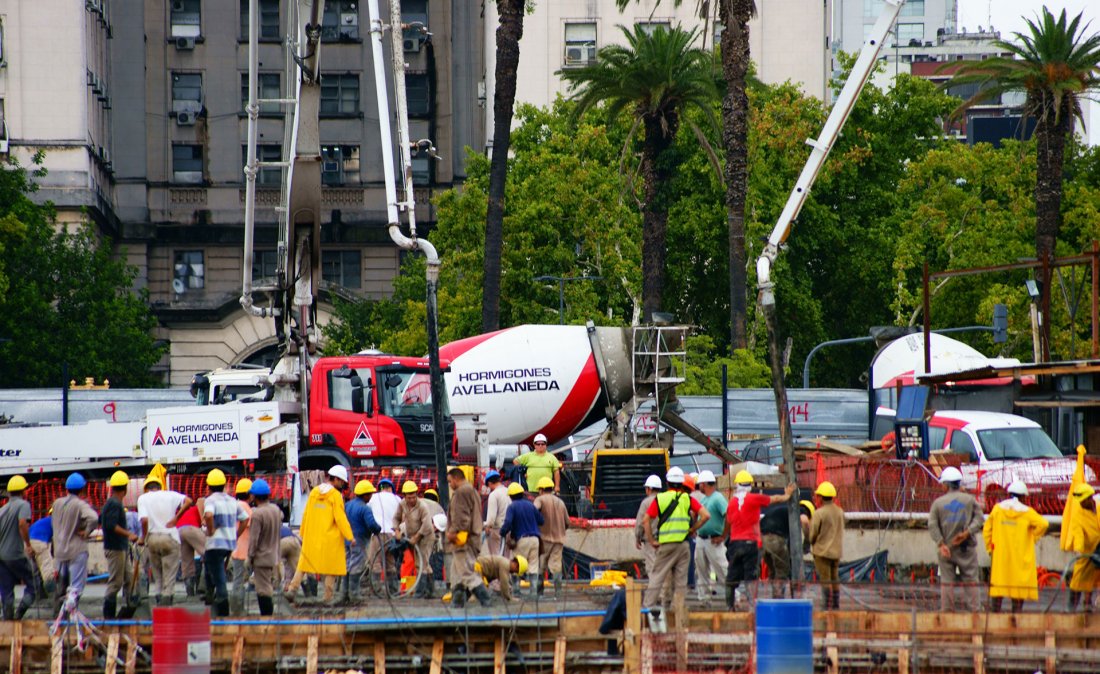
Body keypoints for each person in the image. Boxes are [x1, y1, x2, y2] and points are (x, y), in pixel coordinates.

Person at [642, 467, 709, 633]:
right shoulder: (687, 499)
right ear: (681, 483)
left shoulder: (661, 498)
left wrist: (651, 540)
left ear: (667, 482)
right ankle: (678, 617)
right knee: (680, 583)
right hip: (684, 546)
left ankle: (647, 610)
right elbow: (706, 515)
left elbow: (646, 520)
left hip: (666, 546)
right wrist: (693, 530)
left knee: (657, 576)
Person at [722, 470, 796, 609]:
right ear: (750, 485)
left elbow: (728, 522)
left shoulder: (731, 503)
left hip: (735, 543)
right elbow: (773, 499)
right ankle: (752, 607)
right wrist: (787, 495)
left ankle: (729, 607)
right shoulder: (753, 498)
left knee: (731, 578)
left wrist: (722, 536)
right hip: (751, 544)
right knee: (751, 577)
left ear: (736, 485)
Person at [286, 465, 354, 603]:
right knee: (332, 568)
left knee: (304, 564)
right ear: (335, 479)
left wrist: (303, 532)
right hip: (330, 539)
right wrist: (350, 537)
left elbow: (306, 514)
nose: (342, 484)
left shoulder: (315, 492)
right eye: (341, 481)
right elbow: (340, 518)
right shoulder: (335, 496)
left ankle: (292, 590)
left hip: (312, 537)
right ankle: (327, 598)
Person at [984, 480, 1049, 613]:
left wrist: (990, 548)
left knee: (998, 586)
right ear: (1024, 497)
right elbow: (1043, 524)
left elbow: (987, 530)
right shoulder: (1027, 512)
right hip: (1020, 557)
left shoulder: (998, 509)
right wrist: (1033, 537)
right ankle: (1016, 618)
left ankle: (995, 615)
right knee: (1018, 589)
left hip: (1001, 556)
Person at [928, 466, 984, 612]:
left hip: (946, 549)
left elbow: (932, 525)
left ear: (946, 484)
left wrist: (941, 544)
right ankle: (974, 612)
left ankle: (947, 612)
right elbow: (979, 519)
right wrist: (967, 532)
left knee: (947, 582)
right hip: (967, 548)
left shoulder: (938, 503)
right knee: (971, 580)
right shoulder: (969, 500)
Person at [137, 474, 192, 606]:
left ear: (147, 488)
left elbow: (144, 520)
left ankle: (158, 596)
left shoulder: (143, 498)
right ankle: (167, 599)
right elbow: (189, 501)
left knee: (157, 573)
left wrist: (143, 537)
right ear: (160, 486)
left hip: (153, 538)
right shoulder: (170, 495)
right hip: (170, 537)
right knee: (170, 573)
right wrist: (176, 518)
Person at [51, 473, 99, 615]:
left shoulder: (57, 503)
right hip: (76, 550)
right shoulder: (80, 504)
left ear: (66, 488)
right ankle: (72, 615)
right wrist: (87, 531)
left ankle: (58, 618)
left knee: (61, 587)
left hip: (60, 551)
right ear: (82, 489)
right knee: (75, 588)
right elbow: (94, 517)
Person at [202, 469, 249, 616]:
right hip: (228, 544)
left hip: (215, 544)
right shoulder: (231, 500)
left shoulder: (210, 500)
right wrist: (235, 534)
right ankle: (212, 595)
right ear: (224, 485)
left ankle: (222, 605)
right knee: (214, 569)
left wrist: (210, 531)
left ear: (209, 486)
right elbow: (245, 518)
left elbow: (208, 515)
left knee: (219, 575)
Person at [445, 467, 493, 607]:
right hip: (473, 537)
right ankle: (458, 601)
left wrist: (452, 532)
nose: (450, 485)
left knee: (466, 571)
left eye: (450, 481)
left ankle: (485, 598)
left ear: (455, 478)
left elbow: (461, 517)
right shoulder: (471, 490)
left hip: (463, 539)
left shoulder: (461, 492)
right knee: (456, 572)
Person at [101, 471, 139, 619]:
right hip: (115, 547)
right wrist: (129, 534)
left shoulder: (114, 503)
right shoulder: (114, 504)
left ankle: (127, 611)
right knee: (116, 582)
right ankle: (109, 617)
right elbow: (111, 525)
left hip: (120, 547)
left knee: (129, 579)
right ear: (125, 488)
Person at [759, 499, 814, 598]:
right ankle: (779, 599)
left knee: (774, 571)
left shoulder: (784, 514)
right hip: (774, 539)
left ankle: (775, 597)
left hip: (761, 540)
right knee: (782, 571)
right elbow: (805, 522)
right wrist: (807, 542)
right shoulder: (799, 510)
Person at [0, 475, 37, 619]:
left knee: (7, 590)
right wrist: (28, 545)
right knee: (34, 586)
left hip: (1, 556)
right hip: (15, 554)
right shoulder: (23, 505)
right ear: (24, 491)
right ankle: (18, 614)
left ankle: (8, 621)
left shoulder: (2, 509)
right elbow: (22, 523)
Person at [393, 481, 436, 598]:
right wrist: (396, 530)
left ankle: (420, 591)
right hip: (411, 537)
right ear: (404, 496)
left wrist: (417, 537)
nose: (411, 500)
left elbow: (427, 525)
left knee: (421, 563)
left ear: (417, 494)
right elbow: (396, 518)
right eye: (409, 497)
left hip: (425, 536)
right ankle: (430, 591)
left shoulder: (422, 507)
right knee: (423, 563)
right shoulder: (402, 504)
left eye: (413, 497)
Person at [501, 481, 543, 596]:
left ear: (510, 496)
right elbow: (541, 520)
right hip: (535, 539)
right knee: (533, 565)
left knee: (516, 564)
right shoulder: (530, 505)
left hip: (521, 539)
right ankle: (533, 592)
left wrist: (502, 532)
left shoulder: (512, 506)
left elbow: (508, 522)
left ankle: (516, 591)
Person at [247, 479, 282, 616]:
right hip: (274, 555)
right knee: (269, 587)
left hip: (261, 558)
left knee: (263, 590)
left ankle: (267, 620)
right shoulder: (275, 510)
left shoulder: (257, 514)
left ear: (255, 496)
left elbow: (254, 539)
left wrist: (249, 557)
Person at [694, 470, 728, 602]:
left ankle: (734, 596)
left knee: (722, 569)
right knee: (701, 570)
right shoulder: (704, 499)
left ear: (704, 484)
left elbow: (728, 516)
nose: (699, 487)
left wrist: (723, 536)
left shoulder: (718, 498)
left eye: (700, 484)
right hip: (702, 539)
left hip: (713, 540)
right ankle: (704, 598)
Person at [809, 481, 845, 610]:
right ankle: (835, 605)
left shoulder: (819, 513)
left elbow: (813, 533)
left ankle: (826, 607)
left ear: (820, 497)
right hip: (836, 552)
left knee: (825, 580)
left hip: (822, 552)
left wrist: (811, 542)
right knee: (835, 578)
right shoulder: (840, 512)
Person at [1065, 483, 1100, 612]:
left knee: (1094, 578)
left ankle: (1088, 604)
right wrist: (1079, 549)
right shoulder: (1078, 513)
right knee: (1079, 578)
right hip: (1087, 548)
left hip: (1099, 547)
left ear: (1090, 498)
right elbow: (1078, 532)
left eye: (1083, 501)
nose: (1081, 504)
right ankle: (1072, 607)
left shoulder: (1098, 506)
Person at [344, 479, 381, 601]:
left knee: (348, 564)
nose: (371, 497)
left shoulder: (348, 505)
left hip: (346, 539)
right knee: (356, 565)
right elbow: (371, 524)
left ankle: (345, 593)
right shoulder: (365, 508)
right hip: (359, 540)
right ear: (365, 495)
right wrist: (377, 529)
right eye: (370, 494)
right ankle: (354, 594)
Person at [534, 476, 569, 599]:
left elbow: (534, 511)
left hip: (544, 540)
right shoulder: (560, 502)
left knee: (540, 567)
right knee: (556, 566)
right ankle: (558, 594)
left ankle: (539, 594)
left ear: (542, 489)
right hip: (559, 540)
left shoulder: (540, 499)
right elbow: (567, 522)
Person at [228, 478, 254, 614]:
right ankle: (238, 610)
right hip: (242, 551)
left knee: (238, 580)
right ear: (249, 494)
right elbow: (251, 523)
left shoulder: (235, 504)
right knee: (239, 581)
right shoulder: (244, 506)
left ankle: (237, 608)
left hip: (237, 550)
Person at [177, 499, 206, 598]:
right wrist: (203, 519)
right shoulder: (201, 505)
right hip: (191, 528)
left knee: (187, 562)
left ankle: (190, 592)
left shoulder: (186, 511)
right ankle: (202, 586)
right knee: (210, 554)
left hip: (179, 531)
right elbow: (200, 500)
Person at [634, 475, 662, 577]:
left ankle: (656, 591)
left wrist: (638, 538)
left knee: (652, 568)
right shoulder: (665, 500)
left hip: (650, 541)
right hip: (665, 540)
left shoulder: (646, 503)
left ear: (649, 489)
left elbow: (641, 523)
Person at [28, 509, 54, 597]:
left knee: (36, 570)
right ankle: (53, 593)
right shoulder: (55, 522)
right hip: (39, 542)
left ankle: (39, 593)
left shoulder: (42, 521)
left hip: (28, 543)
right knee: (47, 568)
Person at [483, 471, 510, 556]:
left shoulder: (493, 495)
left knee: (496, 557)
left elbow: (491, 519)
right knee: (507, 557)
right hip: (510, 529)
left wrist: (486, 526)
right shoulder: (509, 491)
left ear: (490, 483)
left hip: (497, 530)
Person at [279, 523, 302, 593]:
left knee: (276, 563)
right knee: (296, 568)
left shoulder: (274, 527)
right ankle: (308, 591)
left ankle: (280, 584)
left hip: (282, 541)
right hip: (294, 542)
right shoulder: (288, 530)